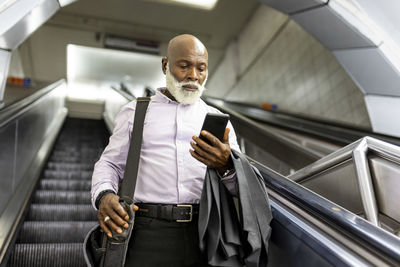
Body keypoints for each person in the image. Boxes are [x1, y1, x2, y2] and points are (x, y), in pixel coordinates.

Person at [91, 34, 241, 266]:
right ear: (165, 65)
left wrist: (226, 166)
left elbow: (238, 188)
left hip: (205, 234)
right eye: (184, 66)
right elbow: (109, 164)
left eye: (201, 68)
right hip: (146, 232)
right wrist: (104, 195)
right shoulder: (135, 112)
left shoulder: (219, 120)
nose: (193, 75)